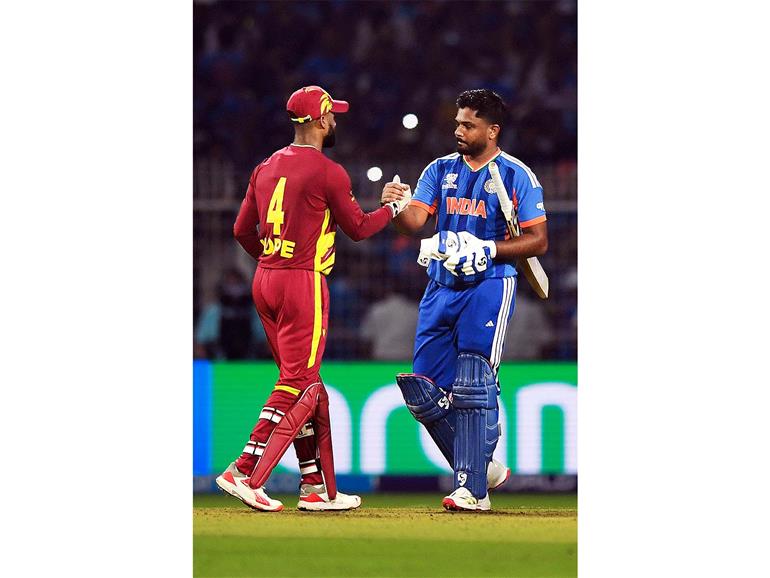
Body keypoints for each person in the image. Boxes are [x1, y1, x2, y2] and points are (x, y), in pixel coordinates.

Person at [217, 85, 409, 512]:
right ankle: (244, 470)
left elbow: (241, 230)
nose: (335, 120)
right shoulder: (328, 171)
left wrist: (272, 259)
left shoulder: (265, 166)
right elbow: (359, 228)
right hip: (302, 281)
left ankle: (315, 486)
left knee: (307, 385)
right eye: (332, 115)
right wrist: (393, 209)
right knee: (296, 382)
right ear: (321, 120)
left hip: (266, 278)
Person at [380, 89, 548, 511]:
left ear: (492, 131)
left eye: (468, 125)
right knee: (422, 391)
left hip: (490, 284)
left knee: (473, 380)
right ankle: (480, 466)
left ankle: (472, 489)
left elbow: (538, 240)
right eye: (458, 123)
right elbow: (414, 222)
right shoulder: (440, 169)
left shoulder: (517, 175)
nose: (458, 130)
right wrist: (397, 208)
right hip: (440, 286)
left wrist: (488, 248)